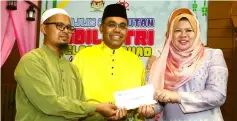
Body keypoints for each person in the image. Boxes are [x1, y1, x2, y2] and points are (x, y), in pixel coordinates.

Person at [14, 8, 118, 121]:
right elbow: (49, 104)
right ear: (43, 28)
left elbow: (81, 114)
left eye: (69, 28)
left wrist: (107, 117)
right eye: (59, 25)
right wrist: (96, 107)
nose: (65, 31)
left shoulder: (73, 69)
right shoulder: (32, 61)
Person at [140, 8, 229, 121]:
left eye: (189, 30)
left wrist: (177, 96)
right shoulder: (162, 61)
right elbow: (161, 99)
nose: (183, 35)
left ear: (197, 32)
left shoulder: (212, 55)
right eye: (177, 30)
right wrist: (152, 110)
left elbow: (218, 96)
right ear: (171, 33)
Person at [72, 4, 146, 121]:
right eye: (111, 25)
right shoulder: (83, 57)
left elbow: (140, 110)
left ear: (126, 30)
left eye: (122, 26)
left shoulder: (136, 62)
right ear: (101, 28)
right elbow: (70, 99)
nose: (117, 30)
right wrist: (96, 110)